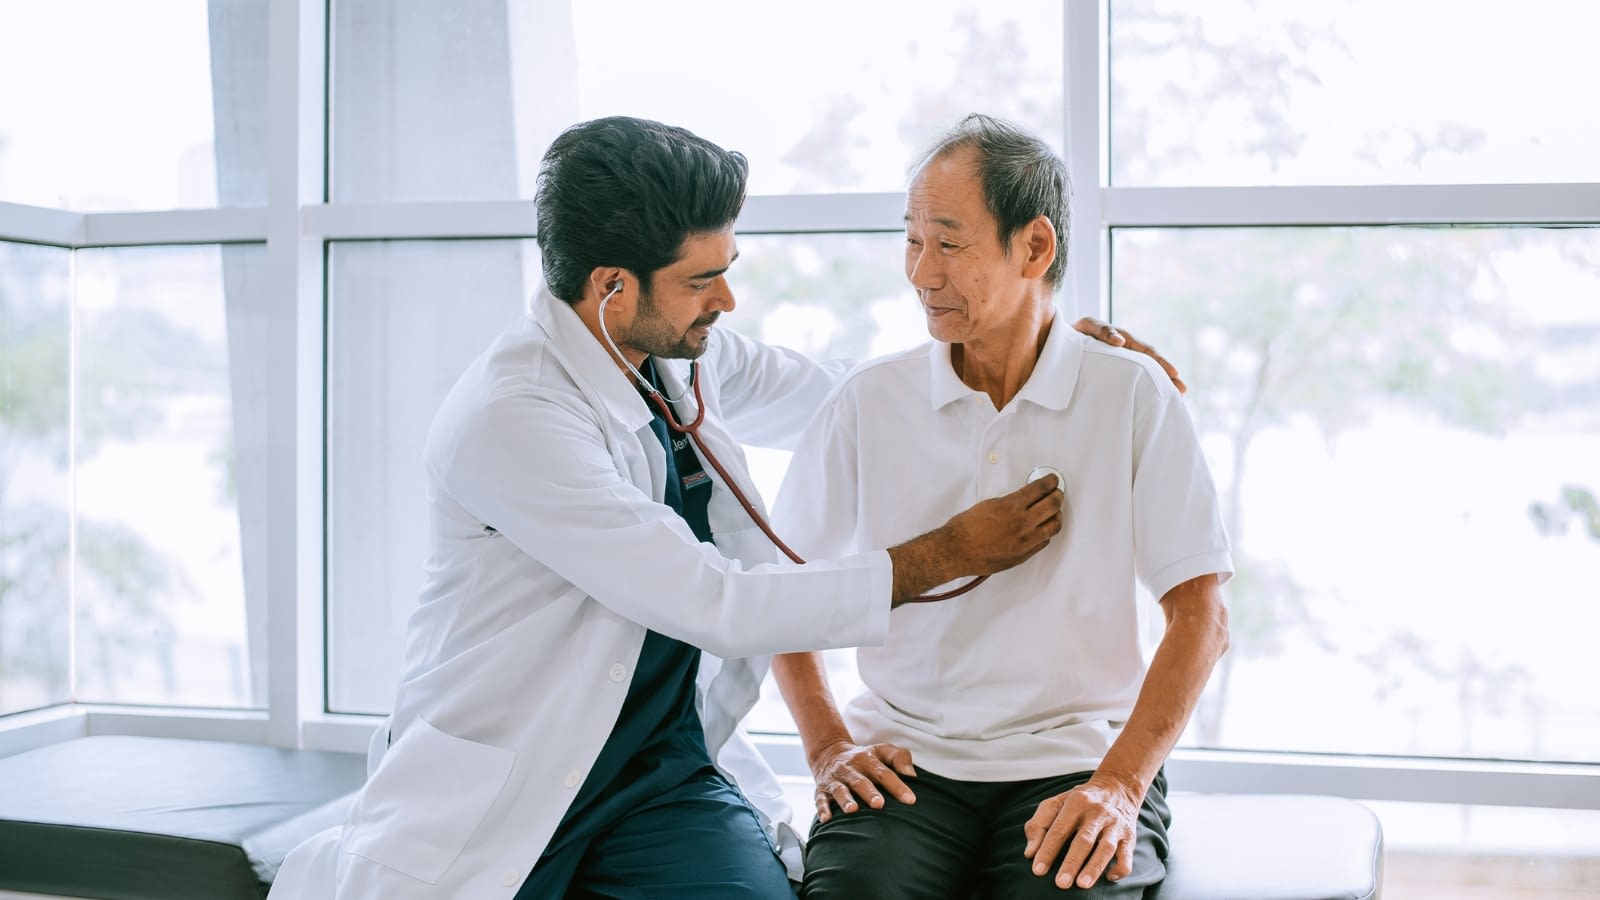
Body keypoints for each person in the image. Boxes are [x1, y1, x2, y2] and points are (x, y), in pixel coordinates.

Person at [268, 115, 1177, 900]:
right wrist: (940, 555)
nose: (727, 300)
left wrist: (1038, 345)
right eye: (703, 280)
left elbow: (854, 393)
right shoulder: (512, 420)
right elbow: (718, 601)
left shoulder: (675, 354)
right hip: (513, 766)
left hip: (655, 769)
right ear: (612, 288)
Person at [770, 113, 1233, 899]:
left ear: (1036, 247)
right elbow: (782, 599)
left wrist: (1119, 786)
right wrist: (828, 749)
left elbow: (1202, 616)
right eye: (911, 241)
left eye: (948, 244)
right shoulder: (867, 401)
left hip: (1079, 756)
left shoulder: (1131, 393)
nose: (921, 272)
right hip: (903, 764)